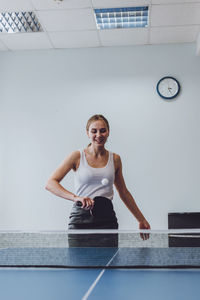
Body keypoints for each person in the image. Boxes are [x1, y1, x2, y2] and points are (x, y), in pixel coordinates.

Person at [45, 114, 150, 239]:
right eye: (94, 131)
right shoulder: (77, 156)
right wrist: (76, 198)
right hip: (80, 220)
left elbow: (123, 192)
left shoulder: (115, 159)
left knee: (109, 258)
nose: (99, 135)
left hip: (107, 220)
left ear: (108, 132)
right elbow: (50, 183)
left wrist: (141, 219)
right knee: (78, 259)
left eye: (103, 131)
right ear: (87, 133)